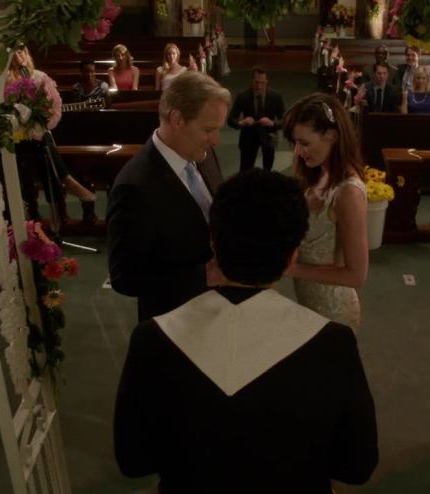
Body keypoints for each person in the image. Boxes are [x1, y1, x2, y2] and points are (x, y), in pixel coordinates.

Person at [113, 169, 378, 491]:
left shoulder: (151, 339)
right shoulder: (334, 344)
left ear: (213, 243)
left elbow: (133, 461)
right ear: (292, 255)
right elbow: (356, 466)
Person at [107, 70, 230, 321]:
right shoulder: (134, 187)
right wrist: (204, 276)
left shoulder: (203, 153)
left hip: (221, 308)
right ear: (177, 119)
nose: (216, 140)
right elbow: (125, 278)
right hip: (175, 319)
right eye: (209, 129)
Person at [282, 93, 369, 330]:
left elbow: (357, 275)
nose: (298, 151)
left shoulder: (348, 193)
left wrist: (291, 269)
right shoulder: (318, 171)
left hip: (334, 311)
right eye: (295, 143)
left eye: (305, 143)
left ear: (331, 136)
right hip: (308, 302)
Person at [6, 44, 96, 204]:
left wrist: (43, 114)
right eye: (13, 54)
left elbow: (51, 104)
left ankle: (59, 207)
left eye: (20, 52)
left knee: (44, 150)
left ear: (26, 53)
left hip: (36, 133)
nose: (17, 58)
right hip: (15, 136)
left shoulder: (38, 76)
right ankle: (67, 181)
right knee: (43, 146)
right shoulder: (2, 79)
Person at [227, 65, 285, 172]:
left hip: (269, 136)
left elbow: (285, 121)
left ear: (267, 81)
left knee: (267, 171)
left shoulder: (276, 97)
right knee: (245, 171)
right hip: (248, 137)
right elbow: (231, 120)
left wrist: (272, 123)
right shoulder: (242, 97)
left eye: (262, 83)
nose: (259, 86)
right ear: (251, 81)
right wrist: (242, 123)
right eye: (256, 82)